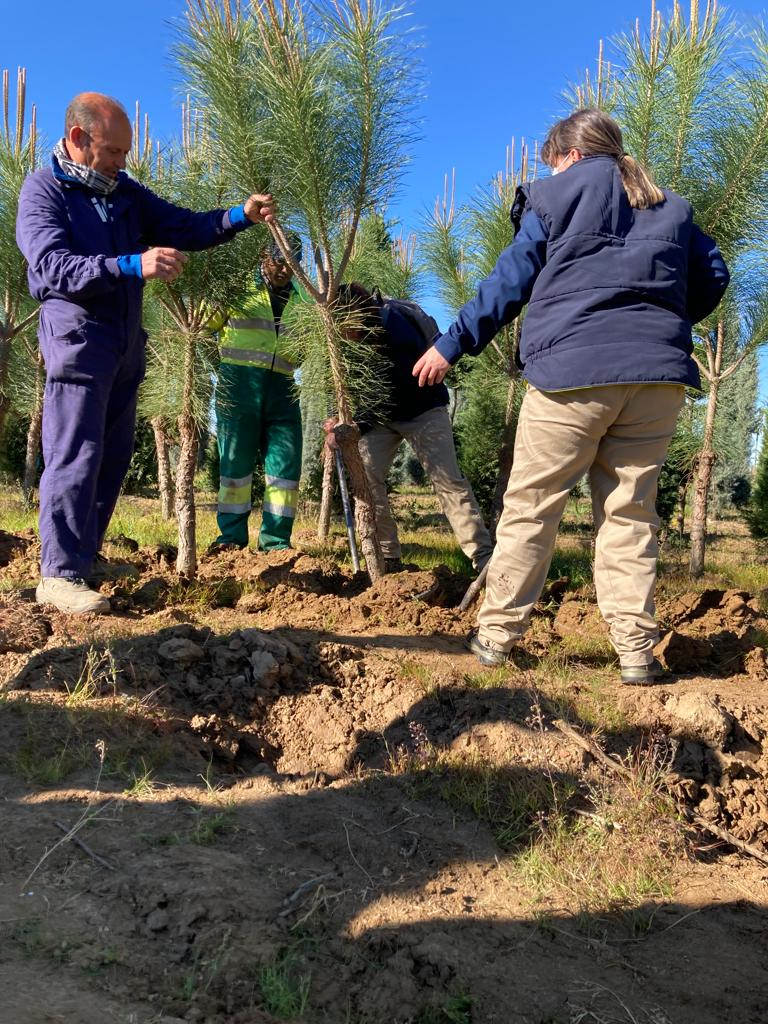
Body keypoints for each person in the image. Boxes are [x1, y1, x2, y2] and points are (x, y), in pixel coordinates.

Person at [413, 108, 729, 685]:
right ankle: (635, 652)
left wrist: (450, 345)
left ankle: (496, 639)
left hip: (572, 375)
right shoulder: (671, 206)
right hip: (656, 381)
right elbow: (714, 273)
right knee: (631, 513)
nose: (553, 172)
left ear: (573, 156)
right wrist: (663, 322)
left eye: (553, 162)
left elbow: (509, 281)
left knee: (533, 507)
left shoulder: (554, 197)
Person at [15, 92, 276, 615]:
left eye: (125, 152)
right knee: (74, 456)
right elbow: (51, 269)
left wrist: (240, 215)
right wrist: (129, 265)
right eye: (112, 151)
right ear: (77, 139)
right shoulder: (45, 190)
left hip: (125, 345)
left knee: (110, 459)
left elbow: (182, 226)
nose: (121, 161)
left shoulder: (123, 193)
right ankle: (58, 574)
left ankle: (83, 558)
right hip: (78, 342)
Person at [326, 283, 493, 574]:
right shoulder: (346, 341)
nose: (341, 333)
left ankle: (483, 558)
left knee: (449, 482)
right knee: (367, 475)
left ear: (357, 314)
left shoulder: (396, 326)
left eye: (343, 323)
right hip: (381, 417)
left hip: (423, 408)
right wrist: (337, 422)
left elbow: (393, 390)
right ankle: (388, 557)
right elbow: (346, 386)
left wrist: (355, 426)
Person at [208, 235, 306, 553]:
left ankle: (276, 541)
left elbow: (307, 344)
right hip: (238, 384)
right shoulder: (237, 287)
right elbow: (200, 326)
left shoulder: (302, 299)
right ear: (264, 255)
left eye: (292, 263)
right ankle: (231, 538)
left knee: (285, 466)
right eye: (279, 261)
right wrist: (223, 367)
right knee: (235, 464)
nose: (285, 270)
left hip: (283, 386)